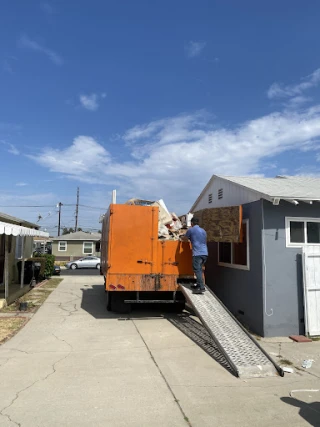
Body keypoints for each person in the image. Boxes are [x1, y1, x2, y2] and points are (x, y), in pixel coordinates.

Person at [181, 217, 208, 294]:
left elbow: (185, 239)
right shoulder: (203, 231)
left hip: (197, 254)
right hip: (205, 253)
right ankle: (198, 284)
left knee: (197, 270)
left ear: (192, 223)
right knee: (200, 269)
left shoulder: (191, 230)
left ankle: (201, 287)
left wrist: (181, 237)